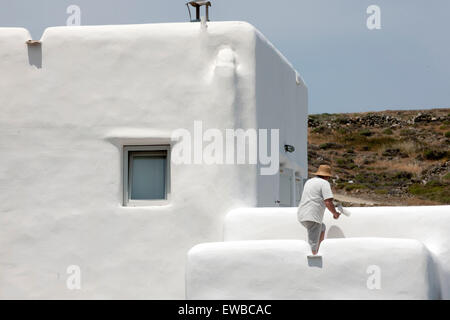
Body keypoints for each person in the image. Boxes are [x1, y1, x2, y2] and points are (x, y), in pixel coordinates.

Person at [297, 164, 340, 256]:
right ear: (326, 176)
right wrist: (335, 213)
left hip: (302, 214)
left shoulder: (309, 181)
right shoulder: (324, 183)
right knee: (313, 243)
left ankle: (319, 250)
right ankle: (314, 258)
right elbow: (328, 202)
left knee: (322, 227)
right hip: (312, 216)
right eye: (328, 176)